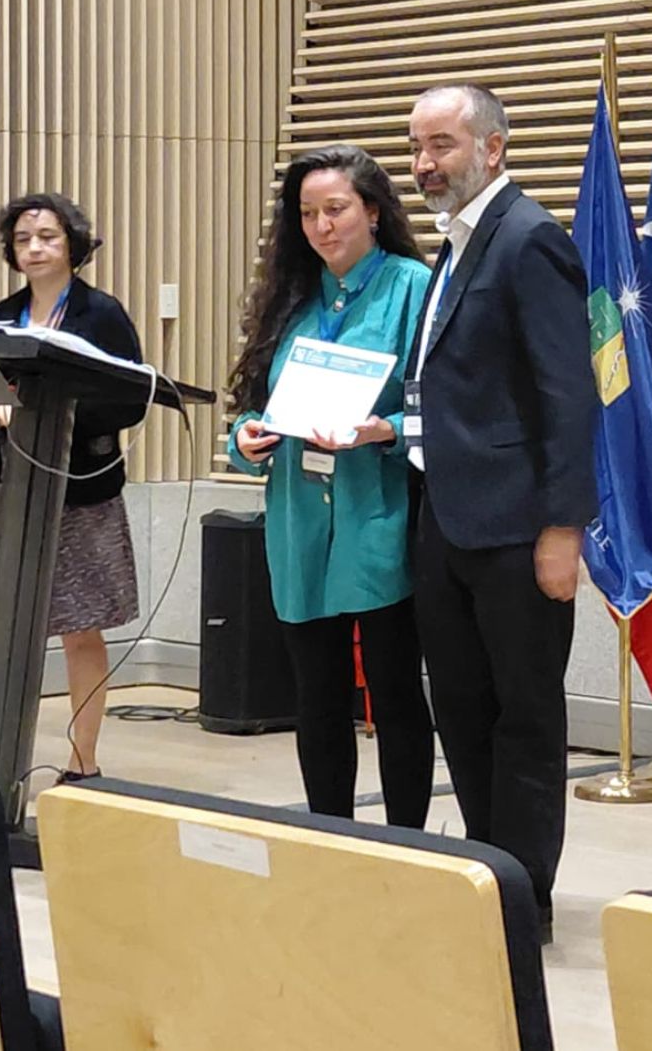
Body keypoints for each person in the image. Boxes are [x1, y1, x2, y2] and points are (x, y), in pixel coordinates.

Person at [405, 85, 598, 943]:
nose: (422, 164)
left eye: (441, 145)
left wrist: (563, 528)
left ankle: (527, 900)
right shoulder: (454, 246)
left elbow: (570, 397)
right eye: (417, 147)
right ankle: (488, 871)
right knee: (460, 707)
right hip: (444, 521)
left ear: (491, 149)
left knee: (523, 717)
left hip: (519, 531)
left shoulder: (530, 241)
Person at [227, 145, 434, 827]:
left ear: (372, 211)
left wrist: (386, 428)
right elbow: (256, 408)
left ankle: (407, 843)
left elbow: (446, 407)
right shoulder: (291, 296)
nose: (322, 226)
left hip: (377, 514)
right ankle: (329, 836)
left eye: (336, 209)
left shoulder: (412, 286)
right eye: (308, 213)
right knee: (315, 696)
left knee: (395, 691)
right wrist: (247, 439)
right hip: (298, 520)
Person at [0, 192, 145, 782]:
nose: (34, 247)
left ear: (74, 245)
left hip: (79, 489)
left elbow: (128, 398)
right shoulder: (4, 311)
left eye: (47, 236)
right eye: (22, 240)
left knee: (79, 624)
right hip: (9, 488)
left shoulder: (101, 314)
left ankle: (83, 760)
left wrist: (49, 415)